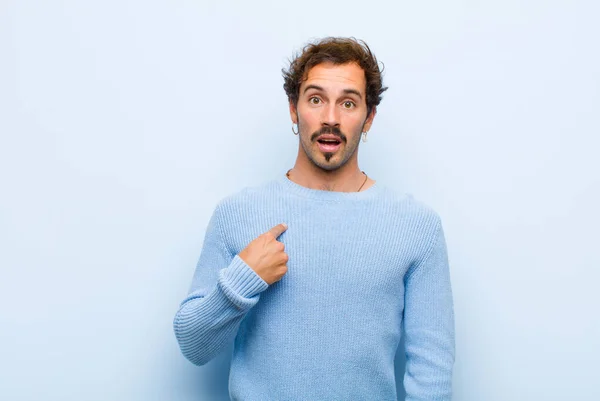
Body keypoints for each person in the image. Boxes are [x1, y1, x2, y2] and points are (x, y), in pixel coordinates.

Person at [173, 36, 455, 401]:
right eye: (316, 99)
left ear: (368, 117)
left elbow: (432, 369)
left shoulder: (417, 227)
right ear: (294, 109)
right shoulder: (237, 213)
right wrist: (242, 280)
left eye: (349, 103)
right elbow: (193, 346)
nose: (331, 118)